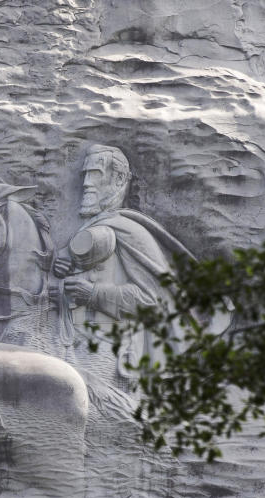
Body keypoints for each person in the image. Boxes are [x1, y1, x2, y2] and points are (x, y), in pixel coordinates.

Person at [50, 144, 191, 389]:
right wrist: (61, 284)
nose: (86, 183)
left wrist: (93, 294)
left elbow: (153, 300)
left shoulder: (131, 232)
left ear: (117, 180)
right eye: (85, 175)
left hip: (112, 354)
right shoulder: (90, 230)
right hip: (71, 344)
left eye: (95, 174)